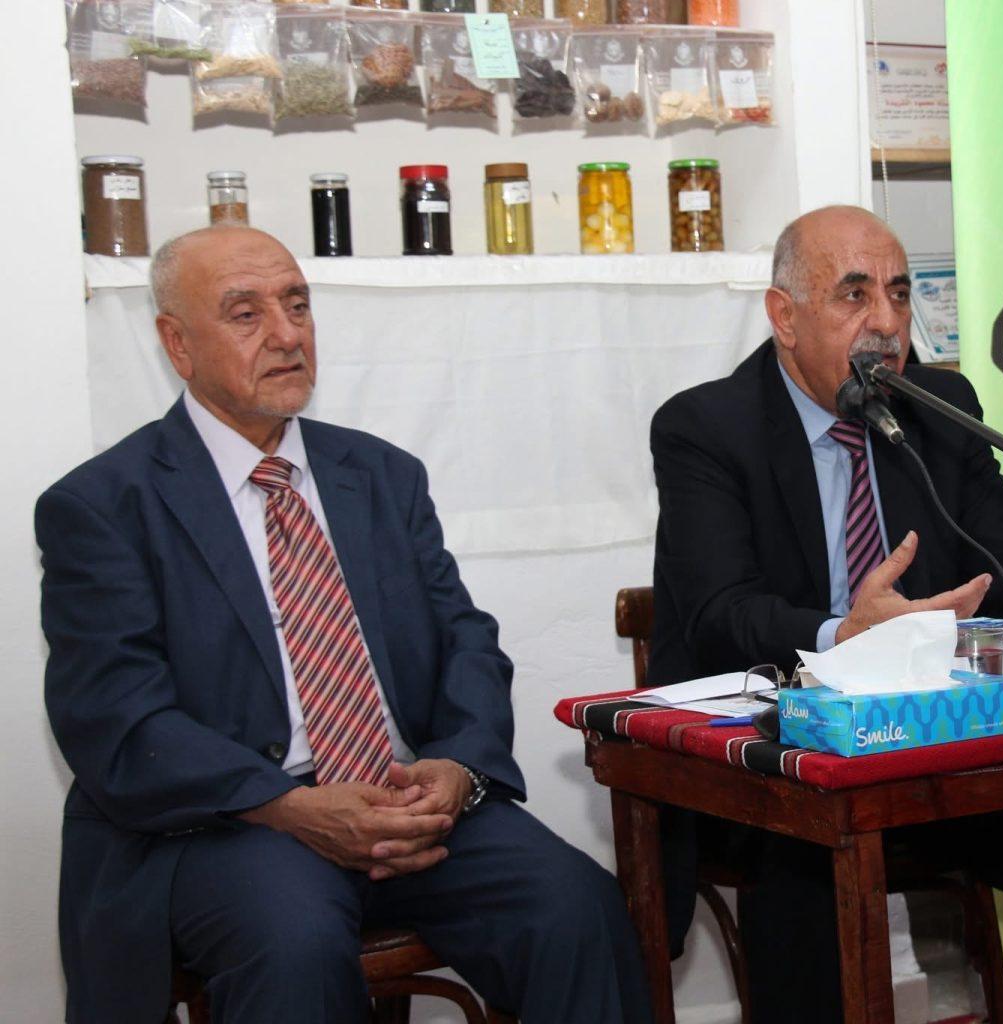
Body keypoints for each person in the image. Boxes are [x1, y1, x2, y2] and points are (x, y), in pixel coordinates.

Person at [37, 227, 650, 1024]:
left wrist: (459, 767)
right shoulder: (104, 505)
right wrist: (288, 807)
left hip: (399, 796)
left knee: (576, 907)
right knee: (293, 946)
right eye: (246, 314)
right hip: (224, 821)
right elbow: (118, 718)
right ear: (177, 344)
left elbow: (465, 639)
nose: (286, 334)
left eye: (297, 305)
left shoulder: (381, 474)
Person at [649, 205, 1003, 1022]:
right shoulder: (707, 427)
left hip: (935, 750)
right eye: (854, 295)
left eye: (898, 294)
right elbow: (718, 613)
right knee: (811, 860)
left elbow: (1001, 571)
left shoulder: (940, 404)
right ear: (785, 316)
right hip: (778, 751)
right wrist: (841, 637)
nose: (887, 324)